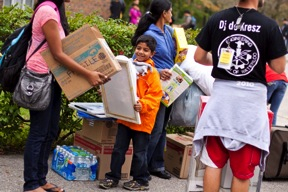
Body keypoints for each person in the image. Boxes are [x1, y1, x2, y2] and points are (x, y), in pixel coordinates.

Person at [192, 0, 287, 191]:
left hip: (220, 102)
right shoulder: (269, 26)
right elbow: (279, 67)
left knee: (213, 162)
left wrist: (220, 61)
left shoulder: (216, 19)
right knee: (242, 170)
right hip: (249, 107)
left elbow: (199, 57)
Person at [23, 1, 110, 192]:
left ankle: (40, 179)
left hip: (54, 79)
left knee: (51, 130)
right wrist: (88, 75)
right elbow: (58, 54)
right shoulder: (47, 11)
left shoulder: (55, 10)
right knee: (39, 133)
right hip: (40, 78)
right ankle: (31, 184)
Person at [99, 35, 163, 191]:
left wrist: (143, 104)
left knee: (140, 152)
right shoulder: (128, 66)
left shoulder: (152, 72)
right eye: (138, 48)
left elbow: (155, 95)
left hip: (143, 120)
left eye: (145, 50)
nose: (141, 52)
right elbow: (119, 86)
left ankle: (140, 180)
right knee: (118, 149)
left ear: (152, 54)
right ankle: (113, 177)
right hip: (126, 117)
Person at [131, 0, 176, 180]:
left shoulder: (170, 32)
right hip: (154, 86)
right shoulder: (150, 35)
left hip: (171, 86)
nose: (172, 14)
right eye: (170, 11)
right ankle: (140, 169)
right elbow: (135, 62)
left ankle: (156, 165)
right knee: (155, 128)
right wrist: (158, 71)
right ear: (164, 13)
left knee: (163, 126)